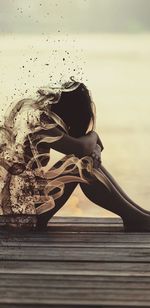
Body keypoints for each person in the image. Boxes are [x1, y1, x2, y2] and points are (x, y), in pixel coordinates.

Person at [1, 78, 150, 231]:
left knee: (81, 161)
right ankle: (135, 218)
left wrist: (93, 147)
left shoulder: (38, 118)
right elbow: (81, 147)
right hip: (19, 217)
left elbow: (82, 148)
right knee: (81, 165)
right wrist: (94, 137)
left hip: (25, 207)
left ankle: (138, 214)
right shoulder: (40, 125)